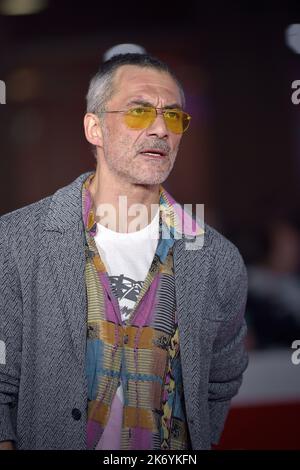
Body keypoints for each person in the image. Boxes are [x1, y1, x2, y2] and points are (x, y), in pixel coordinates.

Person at [0, 45, 248, 450]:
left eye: (173, 115)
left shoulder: (217, 259)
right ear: (94, 128)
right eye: (138, 111)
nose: (160, 129)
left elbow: (220, 382)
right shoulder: (15, 242)